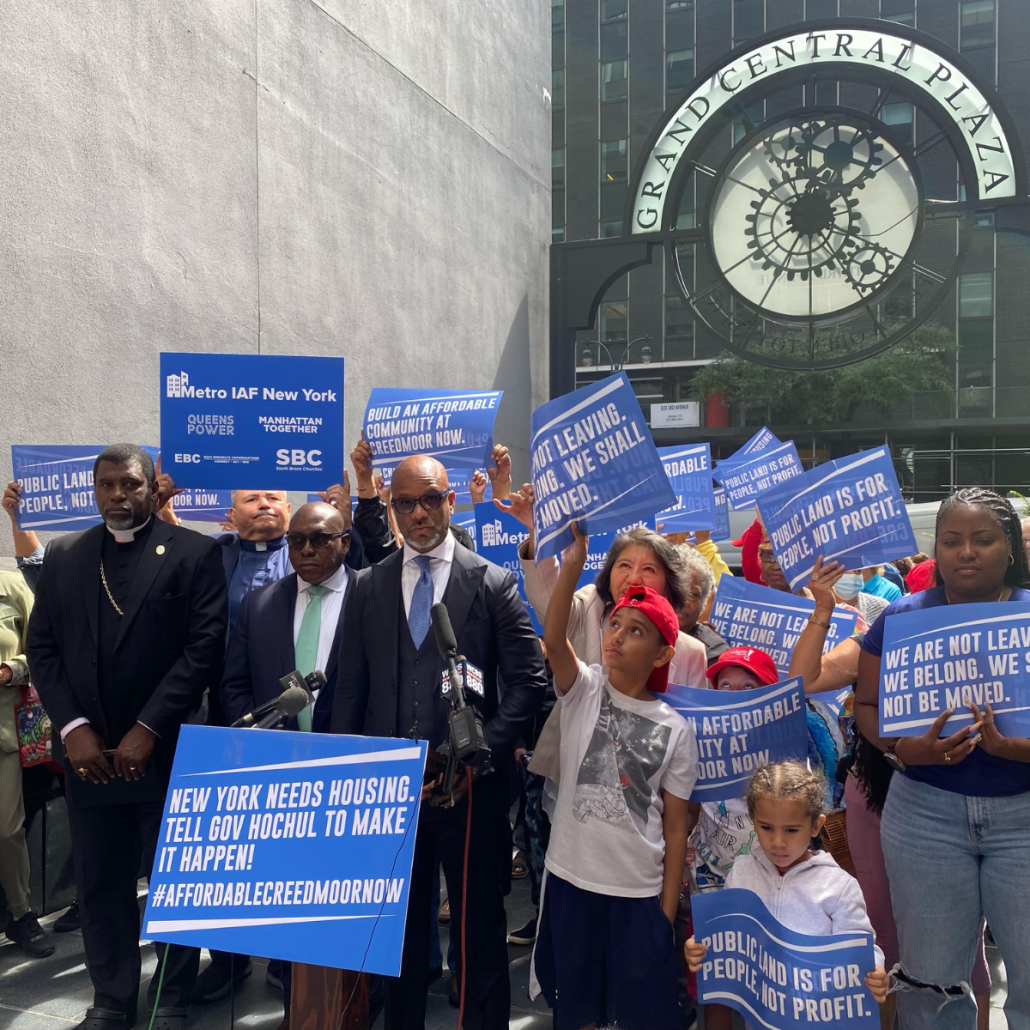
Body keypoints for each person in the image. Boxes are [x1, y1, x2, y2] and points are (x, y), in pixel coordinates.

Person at [331, 455, 547, 1030]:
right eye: (405, 503)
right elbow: (351, 688)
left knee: (477, 927)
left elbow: (528, 682)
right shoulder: (368, 585)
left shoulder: (492, 581)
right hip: (389, 791)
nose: (419, 514)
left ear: (451, 502)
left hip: (469, 791)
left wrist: (479, 754)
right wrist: (353, 773)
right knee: (398, 931)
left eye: (430, 500)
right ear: (392, 507)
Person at [26, 444, 228, 1030]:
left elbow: (203, 649)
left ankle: (172, 997)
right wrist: (73, 730)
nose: (118, 495)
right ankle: (111, 998)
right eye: (107, 484)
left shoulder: (194, 552)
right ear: (95, 490)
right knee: (100, 884)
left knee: (173, 882)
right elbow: (43, 649)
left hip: (165, 752)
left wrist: (148, 727)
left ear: (153, 488)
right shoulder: (66, 554)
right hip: (88, 758)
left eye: (131, 484)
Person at [788, 558, 992, 1029]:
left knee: (964, 941)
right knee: (882, 932)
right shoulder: (880, 636)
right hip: (876, 796)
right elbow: (804, 681)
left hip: (953, 801)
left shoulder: (991, 640)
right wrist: (823, 610)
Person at [854, 487, 1030, 1029]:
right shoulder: (899, 619)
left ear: (1010, 547)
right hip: (924, 817)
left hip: (1023, 816)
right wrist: (902, 749)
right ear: (937, 550)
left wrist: (1013, 749)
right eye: (952, 541)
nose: (967, 552)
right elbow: (865, 705)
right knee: (932, 984)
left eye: (984, 539)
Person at [533, 521, 696, 1030]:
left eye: (636, 630)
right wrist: (573, 567)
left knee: (640, 1013)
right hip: (571, 882)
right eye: (615, 624)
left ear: (663, 653)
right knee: (576, 1007)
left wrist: (664, 911)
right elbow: (554, 638)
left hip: (637, 893)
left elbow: (675, 826)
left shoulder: (676, 729)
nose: (618, 636)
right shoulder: (584, 688)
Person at [685, 761, 888, 1008]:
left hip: (819, 1013)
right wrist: (700, 946)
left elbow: (859, 945)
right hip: (762, 1015)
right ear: (753, 821)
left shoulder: (838, 886)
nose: (778, 841)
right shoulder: (741, 873)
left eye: (791, 830)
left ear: (816, 826)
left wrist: (873, 969)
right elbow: (726, 934)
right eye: (766, 827)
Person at [0, 568, 55, 957]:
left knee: (7, 831)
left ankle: (21, 915)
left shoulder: (11, 586)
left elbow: (44, 647)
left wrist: (10, 670)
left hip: (4, 735)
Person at [675, 544, 728, 665]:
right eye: (677, 591)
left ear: (702, 603)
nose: (684, 601)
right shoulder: (640, 632)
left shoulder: (714, 651)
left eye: (693, 594)